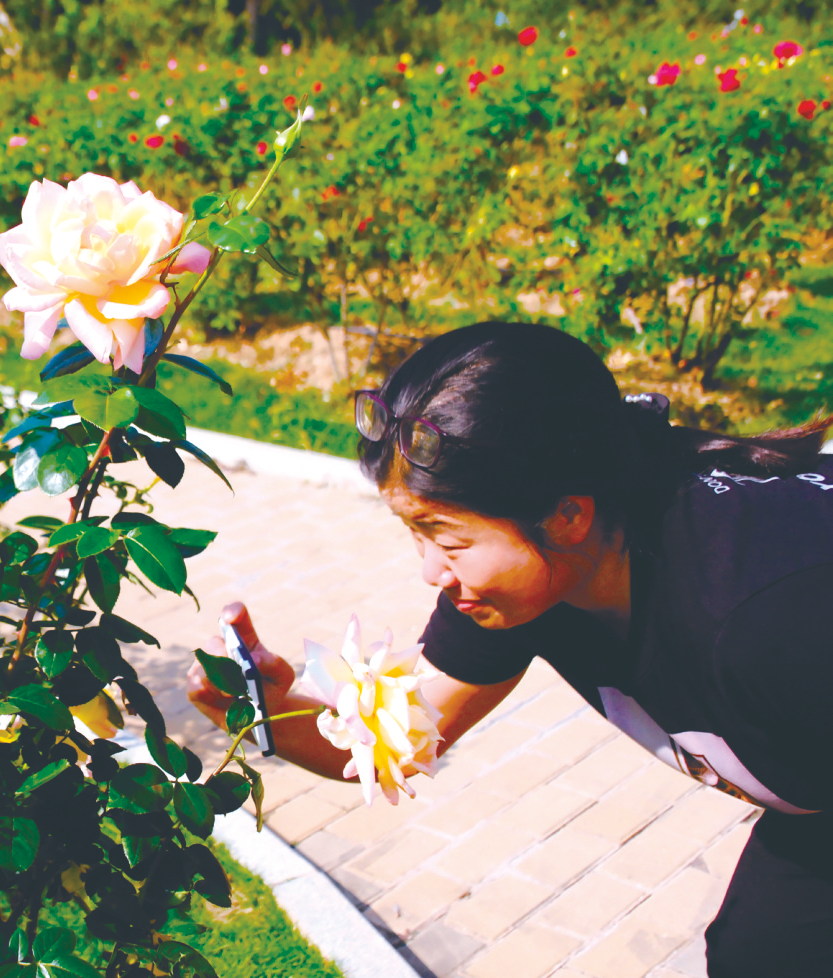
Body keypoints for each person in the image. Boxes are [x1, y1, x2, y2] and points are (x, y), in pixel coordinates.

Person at [186, 322, 832, 976]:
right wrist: (268, 712)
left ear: (568, 517)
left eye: (448, 538)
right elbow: (405, 739)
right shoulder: (528, 581)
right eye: (416, 533)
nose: (431, 573)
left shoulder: (767, 621)